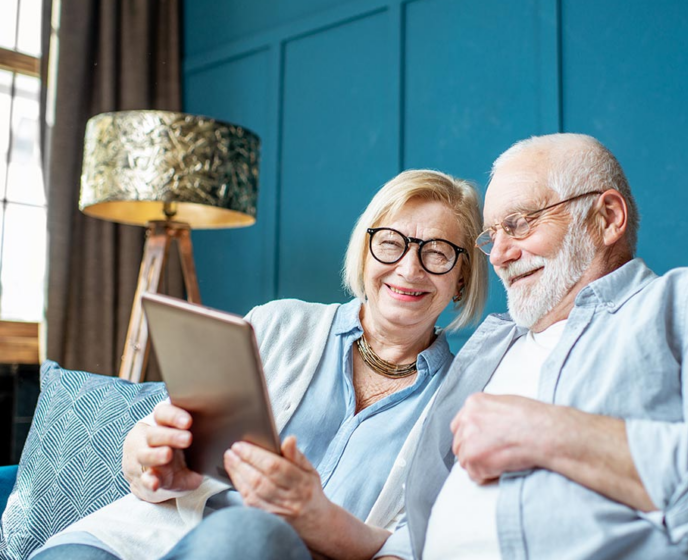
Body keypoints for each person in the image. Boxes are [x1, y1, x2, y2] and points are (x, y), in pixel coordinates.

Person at [376, 134, 688, 560]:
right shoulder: (490, 346)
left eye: (518, 225)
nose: (497, 255)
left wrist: (550, 433)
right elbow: (423, 520)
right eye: (493, 236)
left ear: (607, 218)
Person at [32, 169, 488, 560]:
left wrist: (318, 519)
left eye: (437, 252)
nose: (409, 268)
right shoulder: (276, 324)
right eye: (391, 243)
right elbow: (151, 446)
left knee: (254, 533)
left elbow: (425, 542)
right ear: (365, 251)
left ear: (462, 277)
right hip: (140, 539)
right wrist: (150, 462)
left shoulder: (464, 401)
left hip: (251, 547)